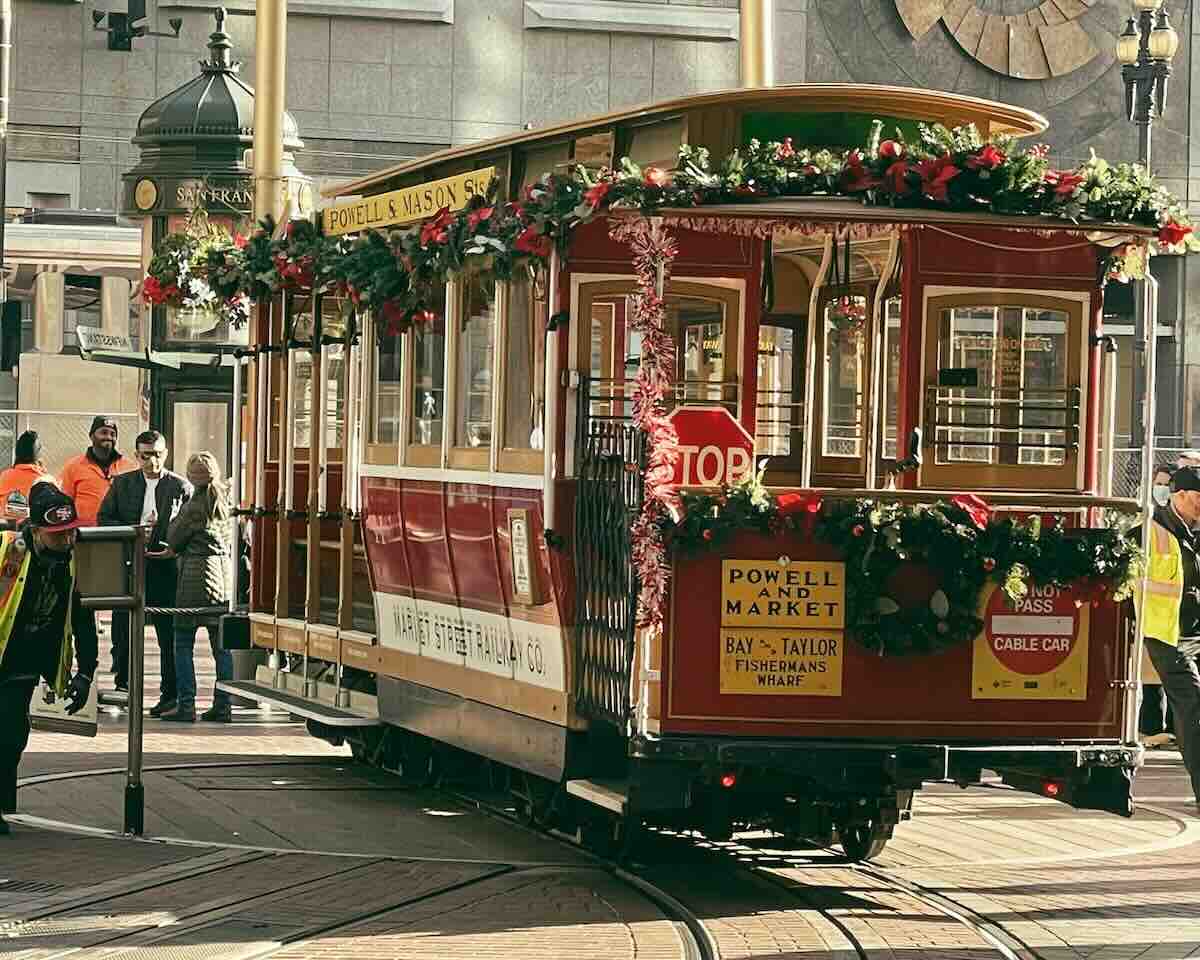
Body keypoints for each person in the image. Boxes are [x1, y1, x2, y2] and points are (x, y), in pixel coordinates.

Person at [0, 485, 97, 835]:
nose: (67, 541)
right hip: (5, 656)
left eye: (71, 532)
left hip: (25, 662)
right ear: (37, 530)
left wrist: (85, 673)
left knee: (12, 736)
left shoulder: (71, 561)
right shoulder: (9, 551)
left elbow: (83, 619)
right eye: (58, 535)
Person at [98, 431, 191, 717]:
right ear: (137, 456)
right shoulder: (123, 483)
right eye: (146, 455)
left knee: (167, 631)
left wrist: (172, 544)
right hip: (131, 563)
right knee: (124, 629)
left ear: (166, 453)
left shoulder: (179, 486)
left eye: (158, 454)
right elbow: (104, 518)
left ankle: (169, 693)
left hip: (164, 566)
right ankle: (124, 686)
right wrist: (134, 532)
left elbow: (190, 525)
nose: (152, 461)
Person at [156, 452, 231, 723]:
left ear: (191, 477)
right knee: (221, 647)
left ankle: (186, 705)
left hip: (194, 578)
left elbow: (173, 536)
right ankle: (223, 704)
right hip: (223, 577)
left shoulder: (193, 506)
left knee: (183, 642)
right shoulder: (225, 501)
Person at [1142, 465, 1200, 807]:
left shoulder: (1195, 532)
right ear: (1179, 496)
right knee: (1194, 706)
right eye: (1198, 498)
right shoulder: (1150, 530)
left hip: (1196, 633)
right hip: (1168, 635)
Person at [1141, 466, 1177, 747]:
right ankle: (1152, 729)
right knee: (1152, 683)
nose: (1161, 489)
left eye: (1166, 484)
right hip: (1152, 616)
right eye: (1158, 483)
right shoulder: (1147, 521)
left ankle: (1173, 730)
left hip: (1175, 618)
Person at [60, 417, 135, 524]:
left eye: (113, 434)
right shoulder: (73, 466)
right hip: (84, 531)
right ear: (91, 436)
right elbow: (65, 503)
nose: (108, 437)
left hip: (119, 530)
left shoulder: (130, 466)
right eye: (104, 432)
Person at [0, 432, 53, 520]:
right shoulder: (45, 479)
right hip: (33, 525)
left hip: (5, 524)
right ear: (38, 454)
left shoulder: (5, 475)